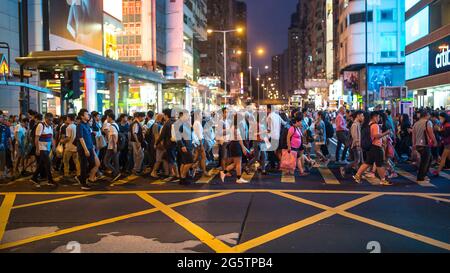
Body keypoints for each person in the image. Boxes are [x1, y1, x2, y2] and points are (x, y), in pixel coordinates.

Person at [353, 112, 393, 186]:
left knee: (368, 162)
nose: (379, 118)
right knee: (379, 164)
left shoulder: (369, 124)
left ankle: (357, 175)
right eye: (378, 117)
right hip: (376, 146)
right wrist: (386, 133)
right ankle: (383, 180)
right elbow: (376, 136)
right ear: (374, 117)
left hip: (371, 146)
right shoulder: (375, 125)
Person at [220, 112, 249, 184]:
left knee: (236, 163)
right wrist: (243, 147)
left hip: (233, 144)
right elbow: (239, 138)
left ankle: (224, 172)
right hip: (236, 144)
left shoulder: (233, 126)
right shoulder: (235, 127)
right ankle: (238, 178)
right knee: (238, 163)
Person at [76, 109, 100, 190]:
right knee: (83, 166)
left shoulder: (87, 125)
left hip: (90, 147)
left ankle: (81, 177)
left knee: (93, 163)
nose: (88, 115)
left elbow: (88, 136)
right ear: (82, 116)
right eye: (86, 114)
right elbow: (81, 138)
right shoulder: (80, 125)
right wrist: (85, 149)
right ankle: (83, 184)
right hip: (83, 149)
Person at [31, 113, 56, 188]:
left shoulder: (50, 126)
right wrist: (37, 149)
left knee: (41, 164)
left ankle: (34, 178)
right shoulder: (40, 125)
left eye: (52, 120)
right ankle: (50, 180)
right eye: (49, 120)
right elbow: (36, 138)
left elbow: (51, 138)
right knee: (48, 163)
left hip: (47, 148)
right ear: (46, 119)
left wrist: (53, 146)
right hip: (42, 148)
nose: (51, 122)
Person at [412, 110, 437, 183]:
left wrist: (413, 145)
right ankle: (421, 177)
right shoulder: (427, 122)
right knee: (425, 161)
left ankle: (423, 175)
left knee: (428, 159)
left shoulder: (416, 123)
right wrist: (435, 141)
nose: (429, 116)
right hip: (425, 144)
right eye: (428, 115)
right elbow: (431, 133)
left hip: (417, 144)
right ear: (426, 115)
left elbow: (413, 135)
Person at [340, 110, 364, 177]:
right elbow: (354, 136)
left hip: (358, 145)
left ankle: (358, 174)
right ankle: (344, 168)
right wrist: (357, 144)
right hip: (356, 145)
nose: (363, 117)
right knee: (357, 160)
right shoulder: (354, 124)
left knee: (359, 160)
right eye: (362, 116)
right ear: (358, 116)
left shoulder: (357, 124)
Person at [61, 114, 80, 182]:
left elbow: (68, 138)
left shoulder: (68, 127)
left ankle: (66, 174)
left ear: (69, 118)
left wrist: (62, 141)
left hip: (69, 147)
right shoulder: (76, 126)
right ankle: (79, 174)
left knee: (65, 161)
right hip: (75, 147)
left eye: (67, 118)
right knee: (77, 162)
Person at [104, 112, 121, 182]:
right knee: (115, 161)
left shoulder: (111, 126)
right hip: (115, 146)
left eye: (107, 117)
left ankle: (115, 172)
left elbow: (114, 136)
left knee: (106, 162)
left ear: (110, 118)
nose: (106, 119)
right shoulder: (116, 125)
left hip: (111, 147)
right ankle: (116, 174)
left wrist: (114, 146)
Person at [432, 112, 450, 176]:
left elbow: (446, 134)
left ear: (444, 118)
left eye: (441, 118)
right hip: (446, 143)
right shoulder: (445, 124)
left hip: (448, 143)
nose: (440, 119)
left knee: (443, 157)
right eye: (439, 118)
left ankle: (438, 171)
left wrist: (439, 130)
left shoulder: (447, 125)